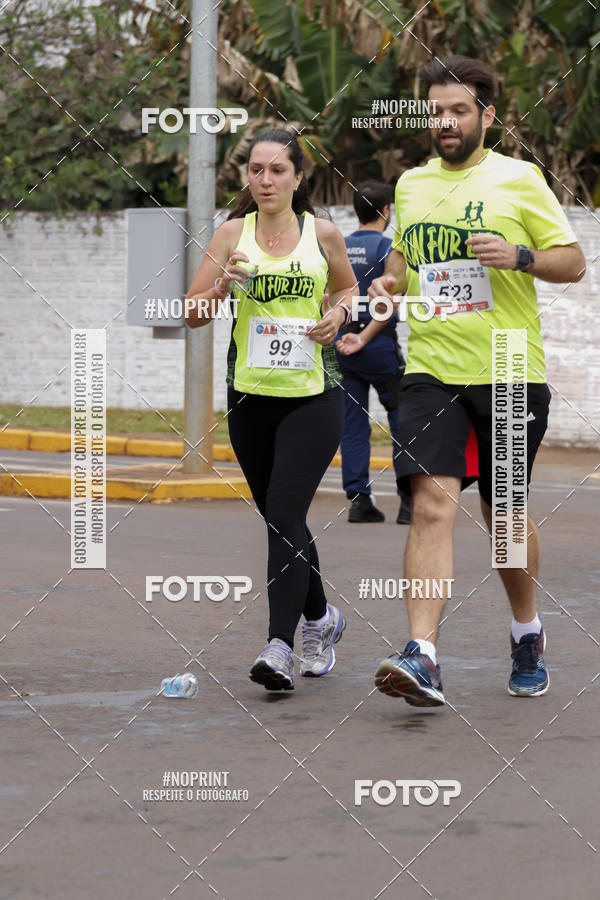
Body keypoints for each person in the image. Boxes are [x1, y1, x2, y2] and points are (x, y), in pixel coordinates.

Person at [369, 55, 585, 706]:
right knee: (432, 504)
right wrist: (381, 296)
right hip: (431, 371)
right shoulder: (410, 187)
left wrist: (520, 256)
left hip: (510, 371)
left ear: (486, 116)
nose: (446, 121)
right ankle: (424, 656)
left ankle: (526, 630)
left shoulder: (520, 180)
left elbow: (572, 262)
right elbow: (406, 269)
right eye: (436, 110)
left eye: (459, 110)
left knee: (505, 520)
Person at [185, 129, 357, 692]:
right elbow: (190, 313)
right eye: (256, 170)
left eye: (277, 170)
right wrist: (219, 289)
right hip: (251, 397)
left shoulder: (323, 233)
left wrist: (339, 317)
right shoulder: (232, 233)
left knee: (284, 514)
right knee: (282, 520)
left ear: (298, 178)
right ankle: (321, 617)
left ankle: (279, 645)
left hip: (314, 396)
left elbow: (348, 292)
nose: (264, 180)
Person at [334, 181, 412, 525]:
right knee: (403, 421)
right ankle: (408, 501)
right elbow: (389, 303)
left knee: (352, 426)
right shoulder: (388, 249)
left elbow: (328, 298)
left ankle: (359, 500)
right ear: (386, 211)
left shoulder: (340, 247)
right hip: (378, 345)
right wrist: (366, 338)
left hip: (342, 345)